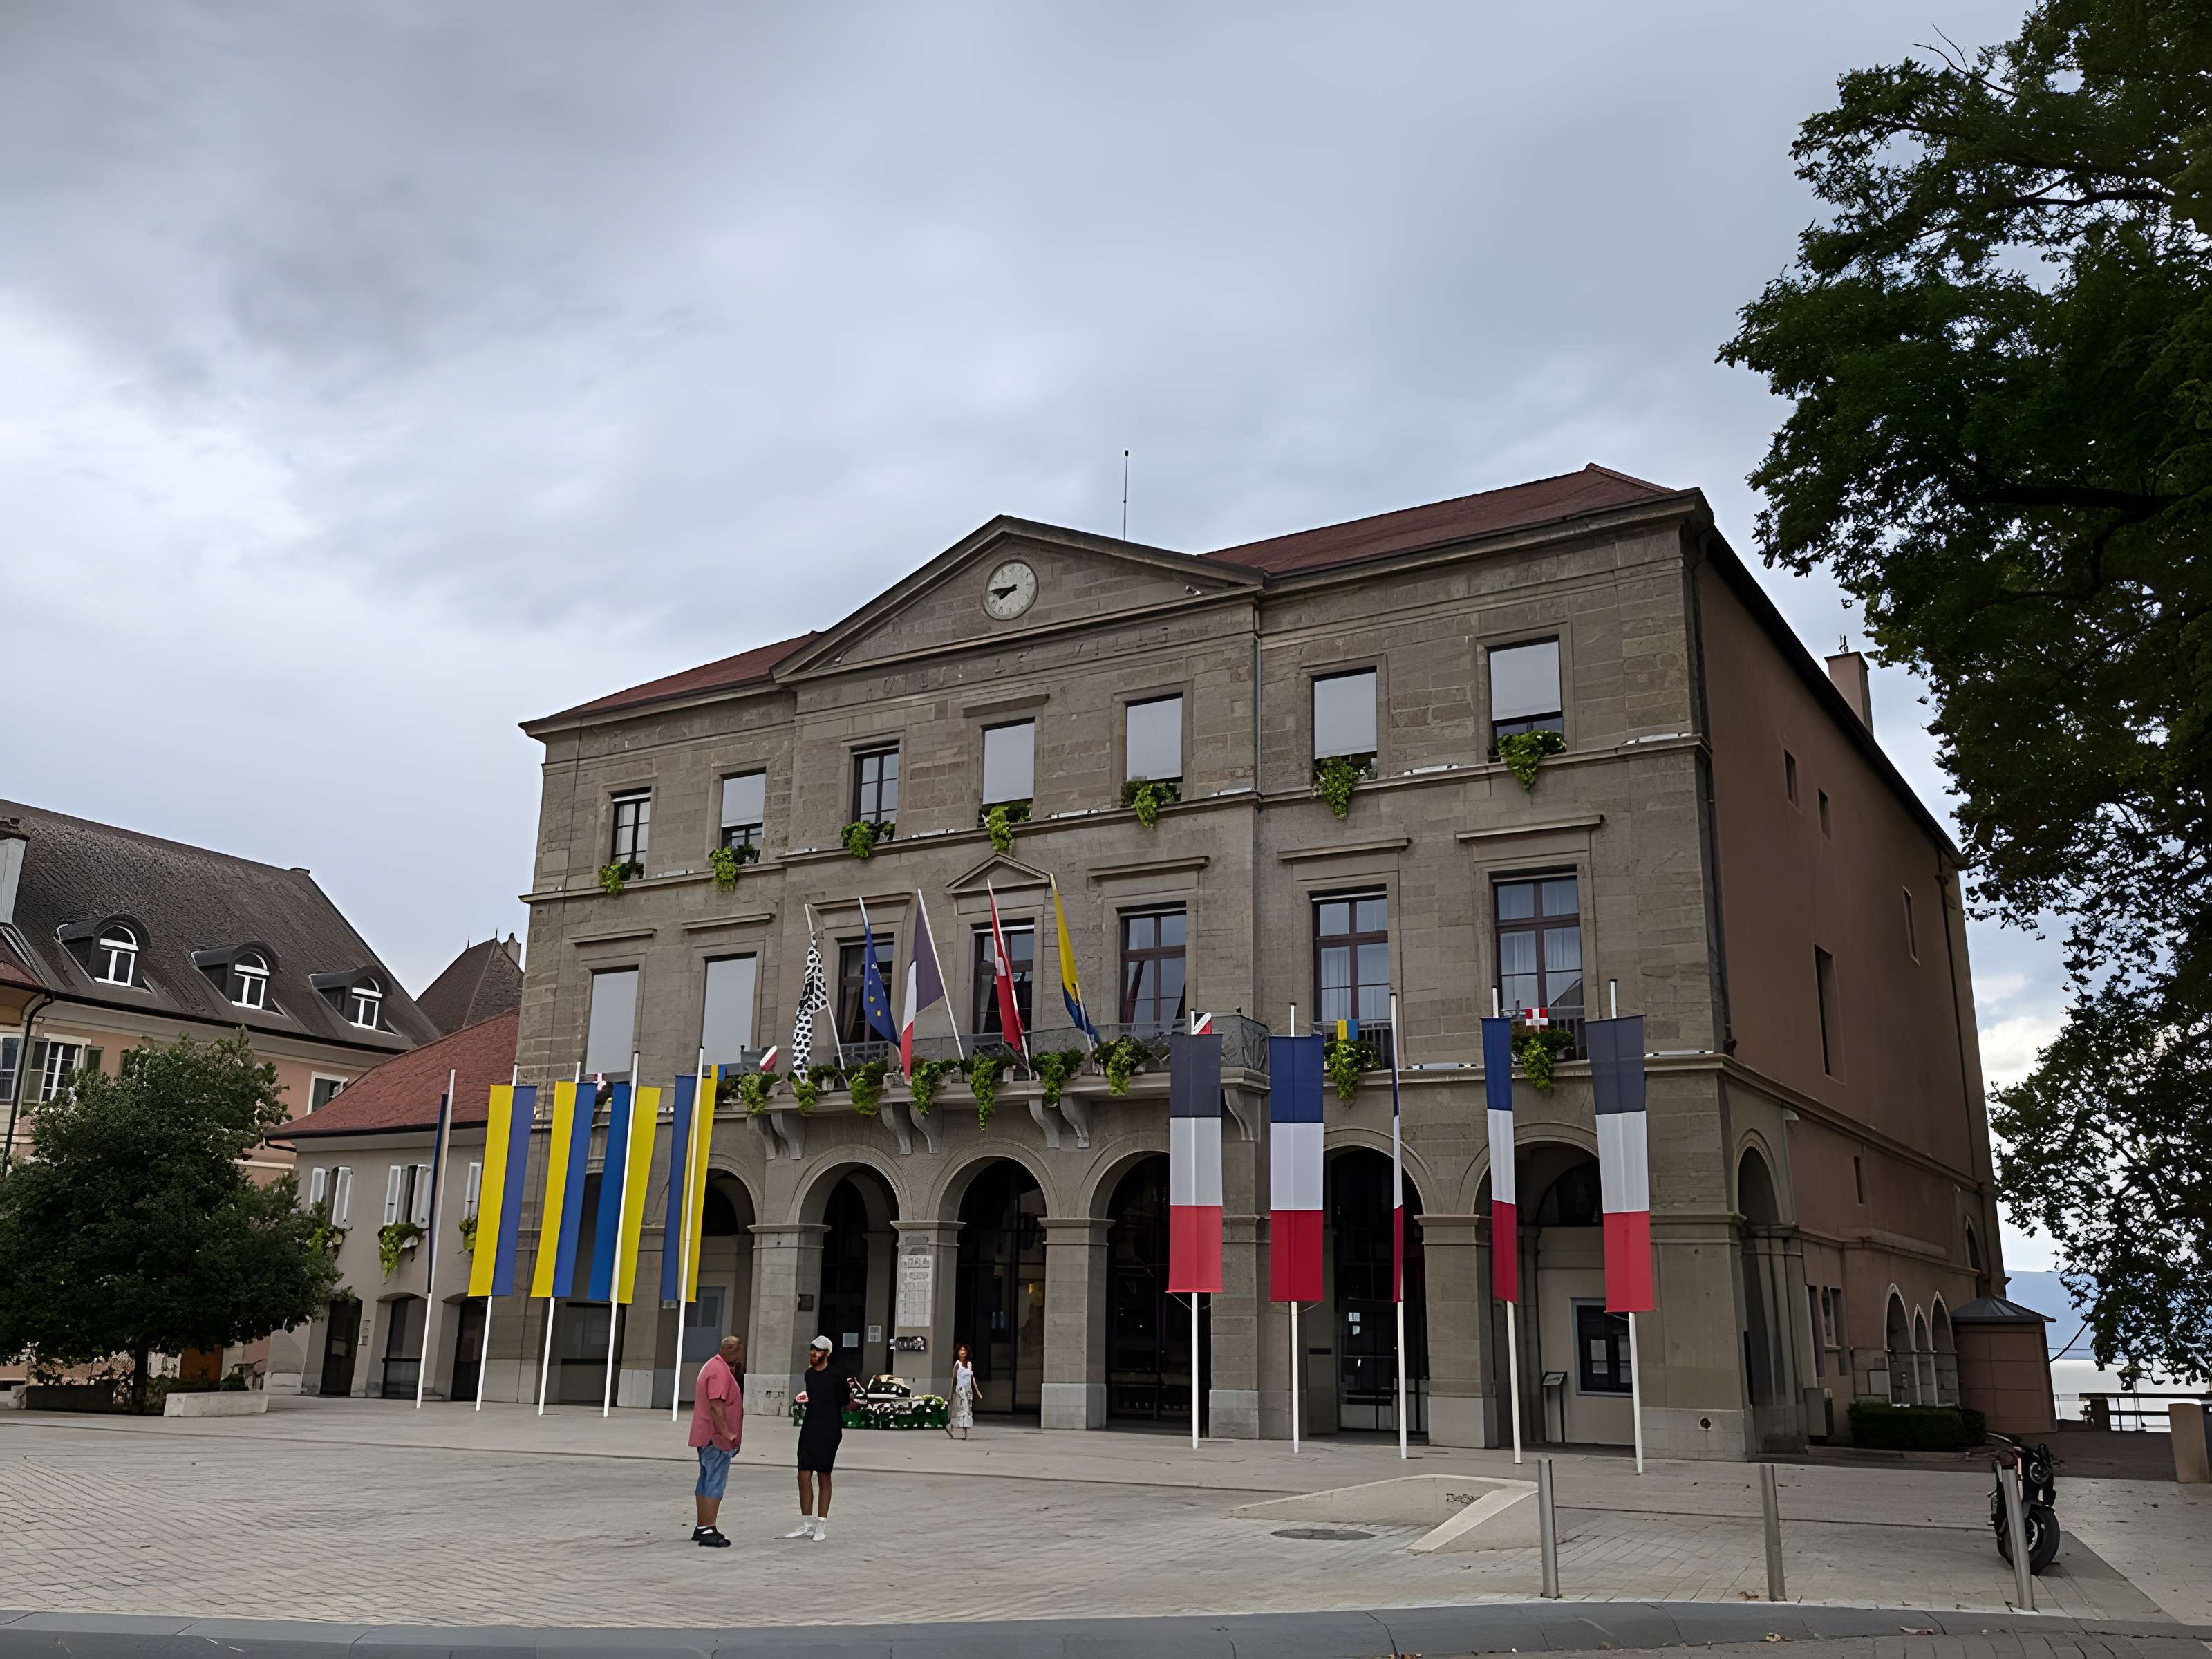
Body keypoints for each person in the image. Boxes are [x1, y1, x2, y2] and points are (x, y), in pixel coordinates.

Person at [787, 1334, 861, 1541]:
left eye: (818, 1350)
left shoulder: (836, 1375)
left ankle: (821, 1523)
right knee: (803, 1474)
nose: (813, 1353)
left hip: (829, 1428)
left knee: (823, 1475)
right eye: (812, 1349)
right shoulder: (809, 1375)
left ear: (827, 1354)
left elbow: (844, 1400)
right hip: (810, 1426)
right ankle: (808, 1523)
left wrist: (851, 1403)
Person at [688, 1334, 744, 1548]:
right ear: (736, 1353)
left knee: (706, 1479)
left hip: (706, 1437)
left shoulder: (712, 1365)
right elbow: (716, 1406)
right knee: (715, 1481)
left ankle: (702, 1526)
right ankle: (708, 1529)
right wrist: (728, 1433)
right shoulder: (720, 1372)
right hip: (716, 1440)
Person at [946, 1342, 976, 1441]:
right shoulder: (957, 1364)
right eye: (961, 1350)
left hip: (968, 1391)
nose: (963, 1352)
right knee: (958, 1411)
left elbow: (972, 1379)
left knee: (967, 1411)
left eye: (964, 1350)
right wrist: (952, 1393)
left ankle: (966, 1431)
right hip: (959, 1391)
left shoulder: (969, 1364)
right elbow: (954, 1379)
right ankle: (951, 1426)